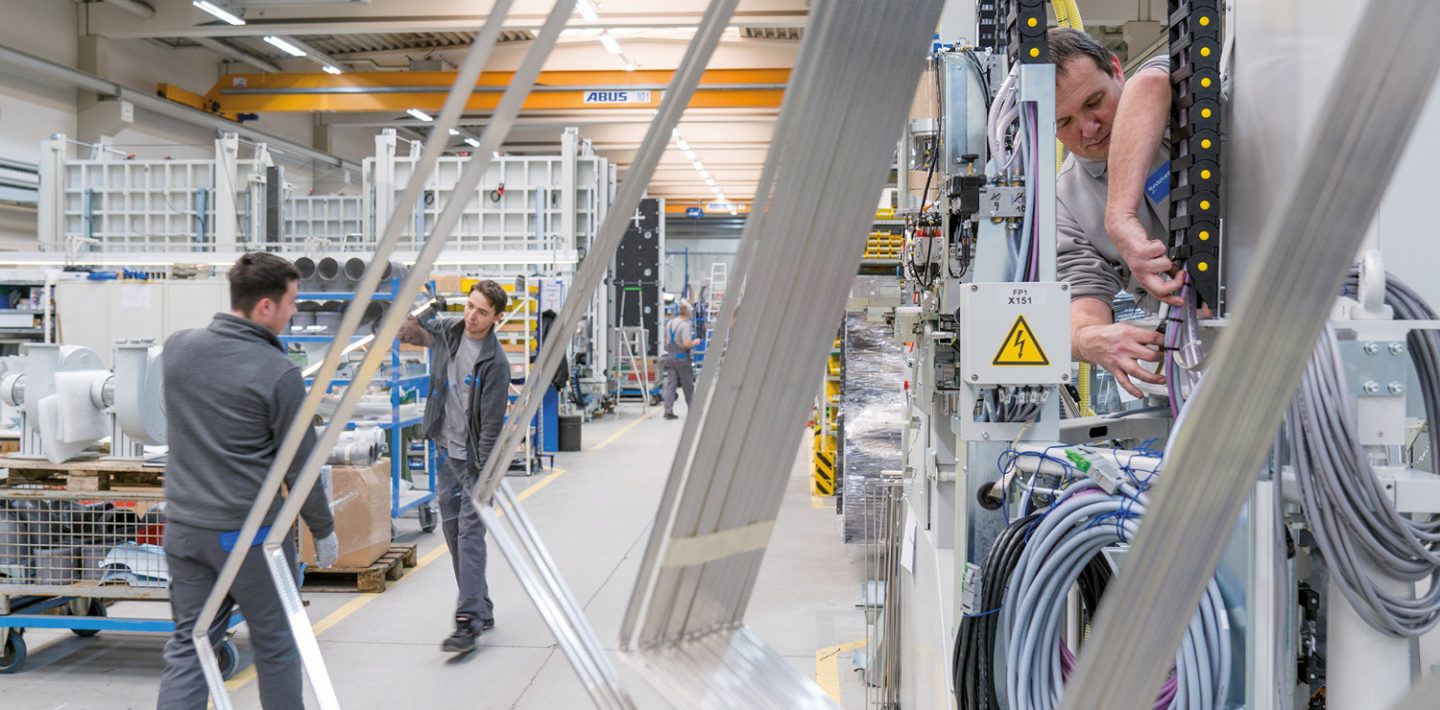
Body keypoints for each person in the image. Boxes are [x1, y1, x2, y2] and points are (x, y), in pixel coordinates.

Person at [158, 252, 337, 710]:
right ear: (264, 306)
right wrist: (323, 529)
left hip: (184, 531)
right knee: (277, 643)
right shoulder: (278, 374)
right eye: (292, 301)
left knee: (191, 645)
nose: (295, 311)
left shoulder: (177, 349)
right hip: (249, 537)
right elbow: (300, 467)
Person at [1051, 27, 1179, 399]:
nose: (1089, 129)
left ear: (1116, 70)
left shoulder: (1176, 96)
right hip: (1203, 349)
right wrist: (1092, 340)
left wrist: (1119, 217)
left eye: (1094, 102)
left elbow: (1150, 85)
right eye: (1065, 122)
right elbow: (1084, 302)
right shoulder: (1066, 201)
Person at [411, 280, 510, 653]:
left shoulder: (495, 363)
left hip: (474, 462)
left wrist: (482, 475)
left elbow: (491, 425)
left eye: (482, 312)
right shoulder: (448, 334)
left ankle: (467, 620)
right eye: (470, 306)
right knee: (454, 536)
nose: (472, 316)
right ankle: (481, 606)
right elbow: (412, 332)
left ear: (497, 318)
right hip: (445, 453)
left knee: (470, 535)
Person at [662, 302, 700, 420]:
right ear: (688, 313)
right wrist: (696, 342)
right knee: (688, 385)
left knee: (671, 385)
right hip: (682, 358)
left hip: (670, 357)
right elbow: (686, 343)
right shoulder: (685, 326)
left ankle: (668, 411)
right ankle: (693, 410)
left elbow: (664, 339)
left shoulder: (669, 323)